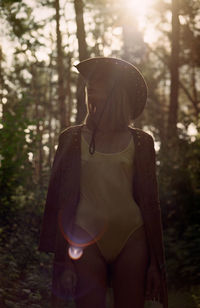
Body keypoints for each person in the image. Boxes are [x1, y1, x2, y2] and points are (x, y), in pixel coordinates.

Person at [39, 57, 168, 308]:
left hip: (132, 236)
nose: (91, 85)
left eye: (99, 81)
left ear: (116, 90)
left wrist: (156, 262)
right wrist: (63, 262)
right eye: (89, 82)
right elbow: (58, 201)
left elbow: (151, 203)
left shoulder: (142, 142)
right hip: (85, 236)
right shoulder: (71, 138)